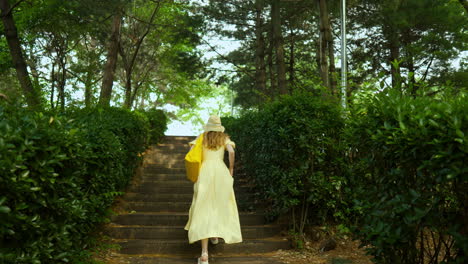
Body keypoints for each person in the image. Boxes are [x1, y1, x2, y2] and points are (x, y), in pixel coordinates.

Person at [184, 115, 242, 264]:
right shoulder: (224, 138)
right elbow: (232, 152)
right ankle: (214, 235)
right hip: (221, 172)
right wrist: (231, 169)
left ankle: (204, 254)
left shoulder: (202, 137)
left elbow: (191, 150)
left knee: (203, 208)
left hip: (204, 173)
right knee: (218, 204)